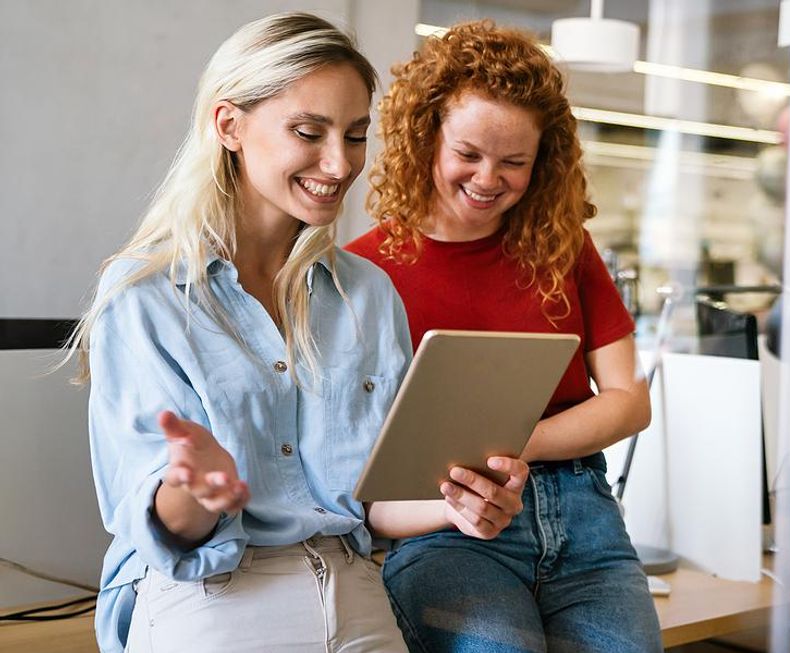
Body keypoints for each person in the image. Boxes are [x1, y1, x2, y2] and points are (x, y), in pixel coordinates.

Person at [69, 13, 527, 653]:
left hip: (353, 584)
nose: (340, 164)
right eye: (309, 132)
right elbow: (163, 529)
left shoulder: (366, 293)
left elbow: (376, 503)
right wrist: (193, 492)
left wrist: (458, 507)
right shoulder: (146, 295)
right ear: (230, 126)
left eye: (357, 135)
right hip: (213, 593)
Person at [346, 20, 664, 653]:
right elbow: (362, 471)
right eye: (468, 154)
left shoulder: (564, 247)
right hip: (448, 525)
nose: (489, 179)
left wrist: (517, 448)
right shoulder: (365, 273)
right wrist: (484, 477)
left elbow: (630, 401)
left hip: (584, 514)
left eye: (514, 162)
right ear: (425, 137)